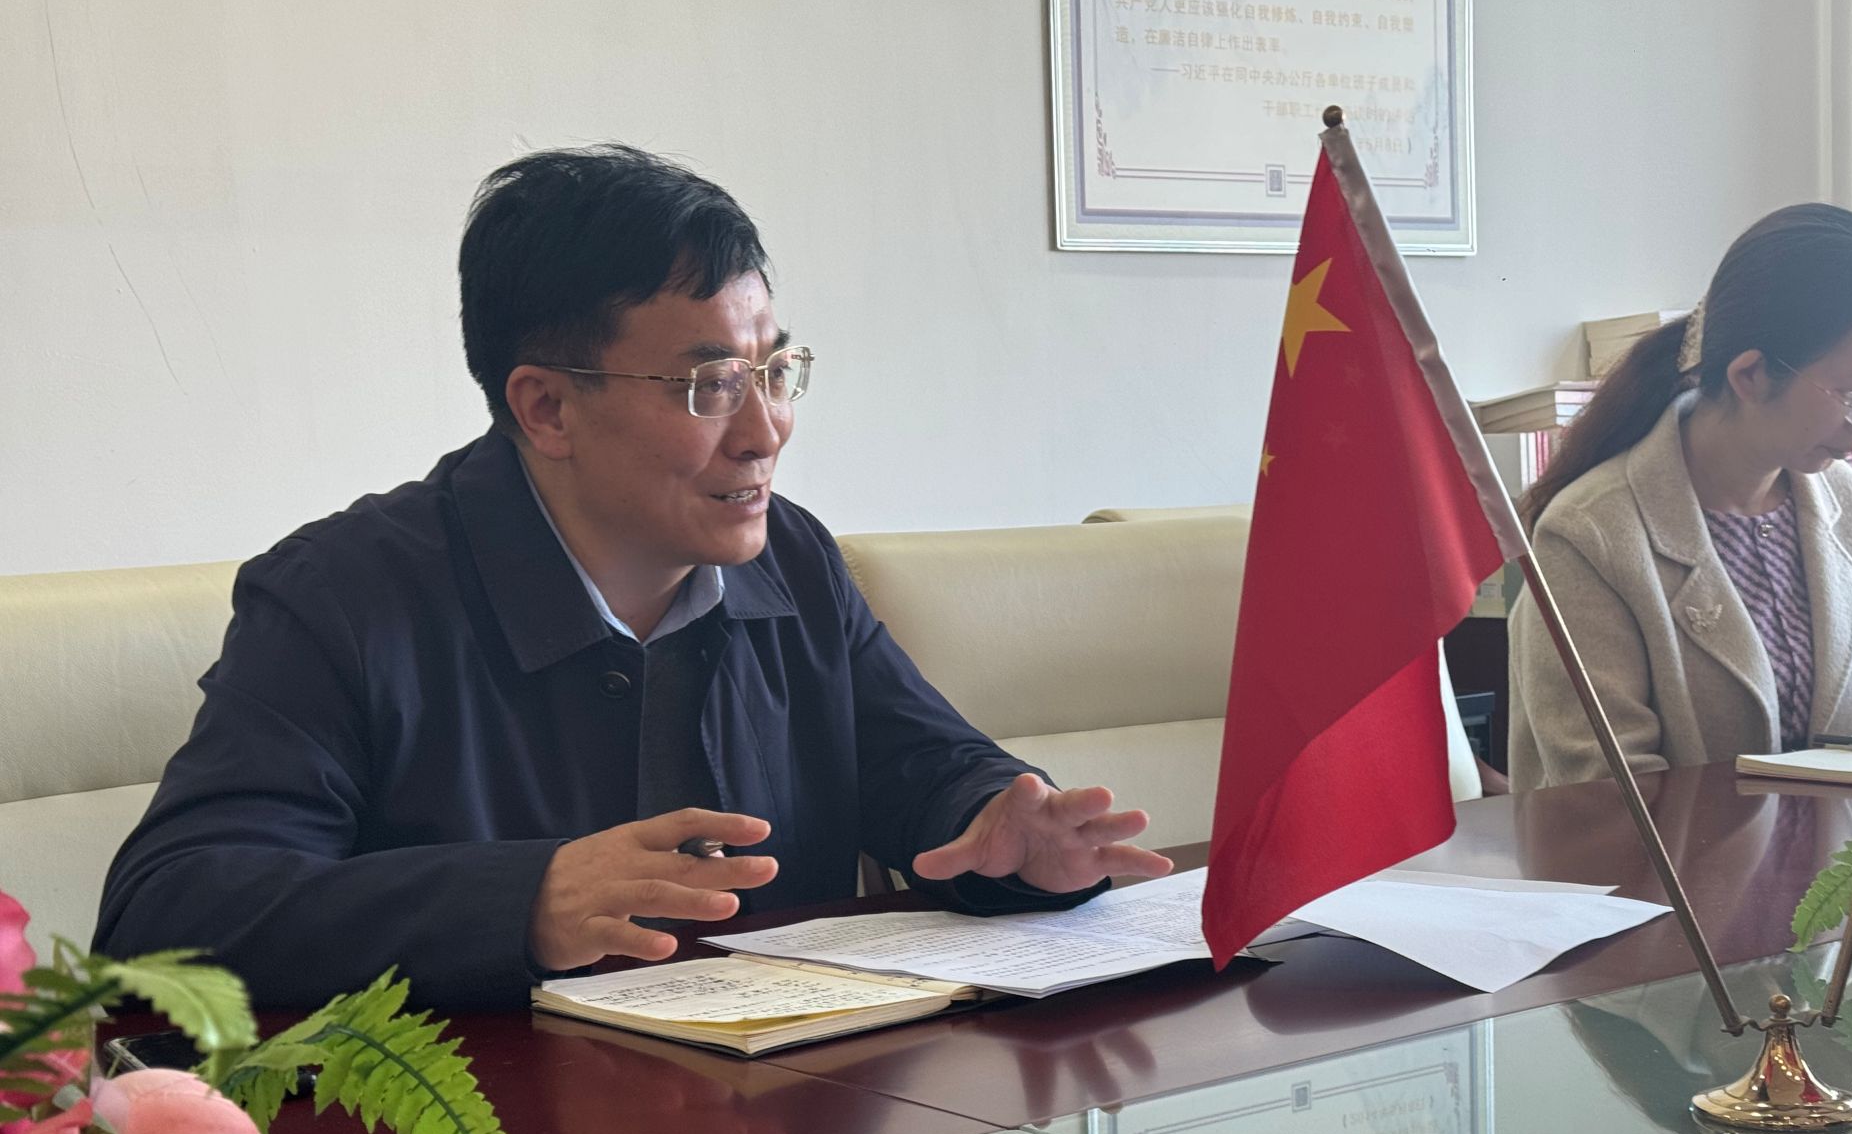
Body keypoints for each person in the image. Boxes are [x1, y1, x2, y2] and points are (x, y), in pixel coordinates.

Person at [95, 145, 1170, 1010]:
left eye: (775, 371)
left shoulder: (790, 560)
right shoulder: (342, 598)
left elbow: (919, 772)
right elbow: (168, 916)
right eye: (711, 385)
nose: (765, 431)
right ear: (547, 408)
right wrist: (523, 901)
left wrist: (1005, 829)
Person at [1508, 203, 1852, 791]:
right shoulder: (1589, 536)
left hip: (1840, 850)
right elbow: (1612, 795)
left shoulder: (1847, 503)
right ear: (1751, 375)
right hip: (1673, 855)